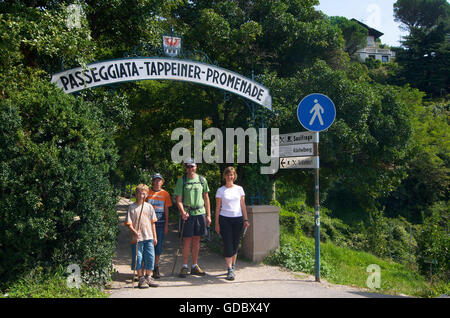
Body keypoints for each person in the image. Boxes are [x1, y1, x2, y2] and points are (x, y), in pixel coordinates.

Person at [173, 158, 211, 278]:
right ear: (185, 168)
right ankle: (184, 266)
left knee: (196, 241)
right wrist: (183, 212)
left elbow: (206, 198)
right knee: (187, 241)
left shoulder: (202, 180)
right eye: (188, 167)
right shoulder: (182, 181)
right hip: (188, 214)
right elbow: (178, 200)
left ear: (196, 166)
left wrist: (209, 215)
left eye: (192, 166)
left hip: (200, 213)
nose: (190, 169)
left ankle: (194, 266)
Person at [215, 166, 250, 281]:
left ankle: (233, 266)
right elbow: (218, 207)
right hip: (224, 219)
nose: (230, 177)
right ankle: (229, 269)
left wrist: (246, 219)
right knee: (228, 244)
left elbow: (243, 205)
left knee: (235, 244)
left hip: (238, 219)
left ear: (234, 176)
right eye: (228, 174)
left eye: (232, 175)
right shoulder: (220, 190)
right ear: (224, 176)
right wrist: (216, 223)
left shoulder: (239, 189)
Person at [125, 184, 159, 288]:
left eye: (144, 193)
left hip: (148, 236)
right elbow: (128, 223)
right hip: (137, 238)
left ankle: (149, 276)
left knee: (150, 257)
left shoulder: (149, 207)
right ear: (136, 194)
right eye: (139, 193)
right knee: (138, 258)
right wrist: (134, 231)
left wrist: (155, 236)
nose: (141, 195)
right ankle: (141, 277)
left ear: (147, 195)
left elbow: (153, 223)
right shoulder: (132, 207)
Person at [146, 173, 172, 279]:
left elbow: (166, 209)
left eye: (159, 180)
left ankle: (156, 267)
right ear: (152, 181)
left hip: (160, 224)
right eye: (155, 180)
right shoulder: (147, 192)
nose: (157, 182)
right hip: (148, 224)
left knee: (158, 246)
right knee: (148, 245)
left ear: (162, 182)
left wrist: (166, 224)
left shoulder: (165, 194)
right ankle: (148, 267)